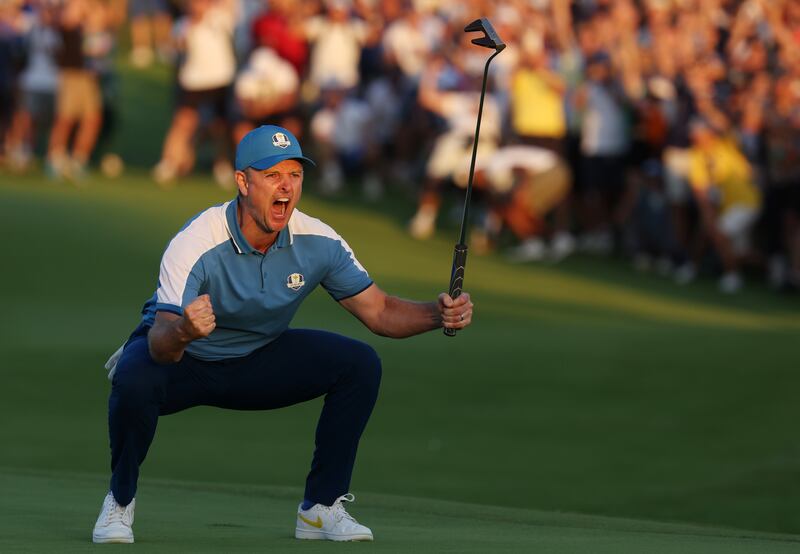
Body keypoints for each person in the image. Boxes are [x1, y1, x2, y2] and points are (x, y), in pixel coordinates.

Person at [91, 125, 474, 544]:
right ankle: (120, 502)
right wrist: (184, 329)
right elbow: (162, 343)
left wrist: (437, 315)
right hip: (186, 358)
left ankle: (320, 510)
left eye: (295, 175)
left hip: (258, 358)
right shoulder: (196, 241)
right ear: (242, 181)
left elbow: (380, 311)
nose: (286, 187)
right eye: (272, 175)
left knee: (358, 364)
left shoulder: (318, 240)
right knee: (133, 378)